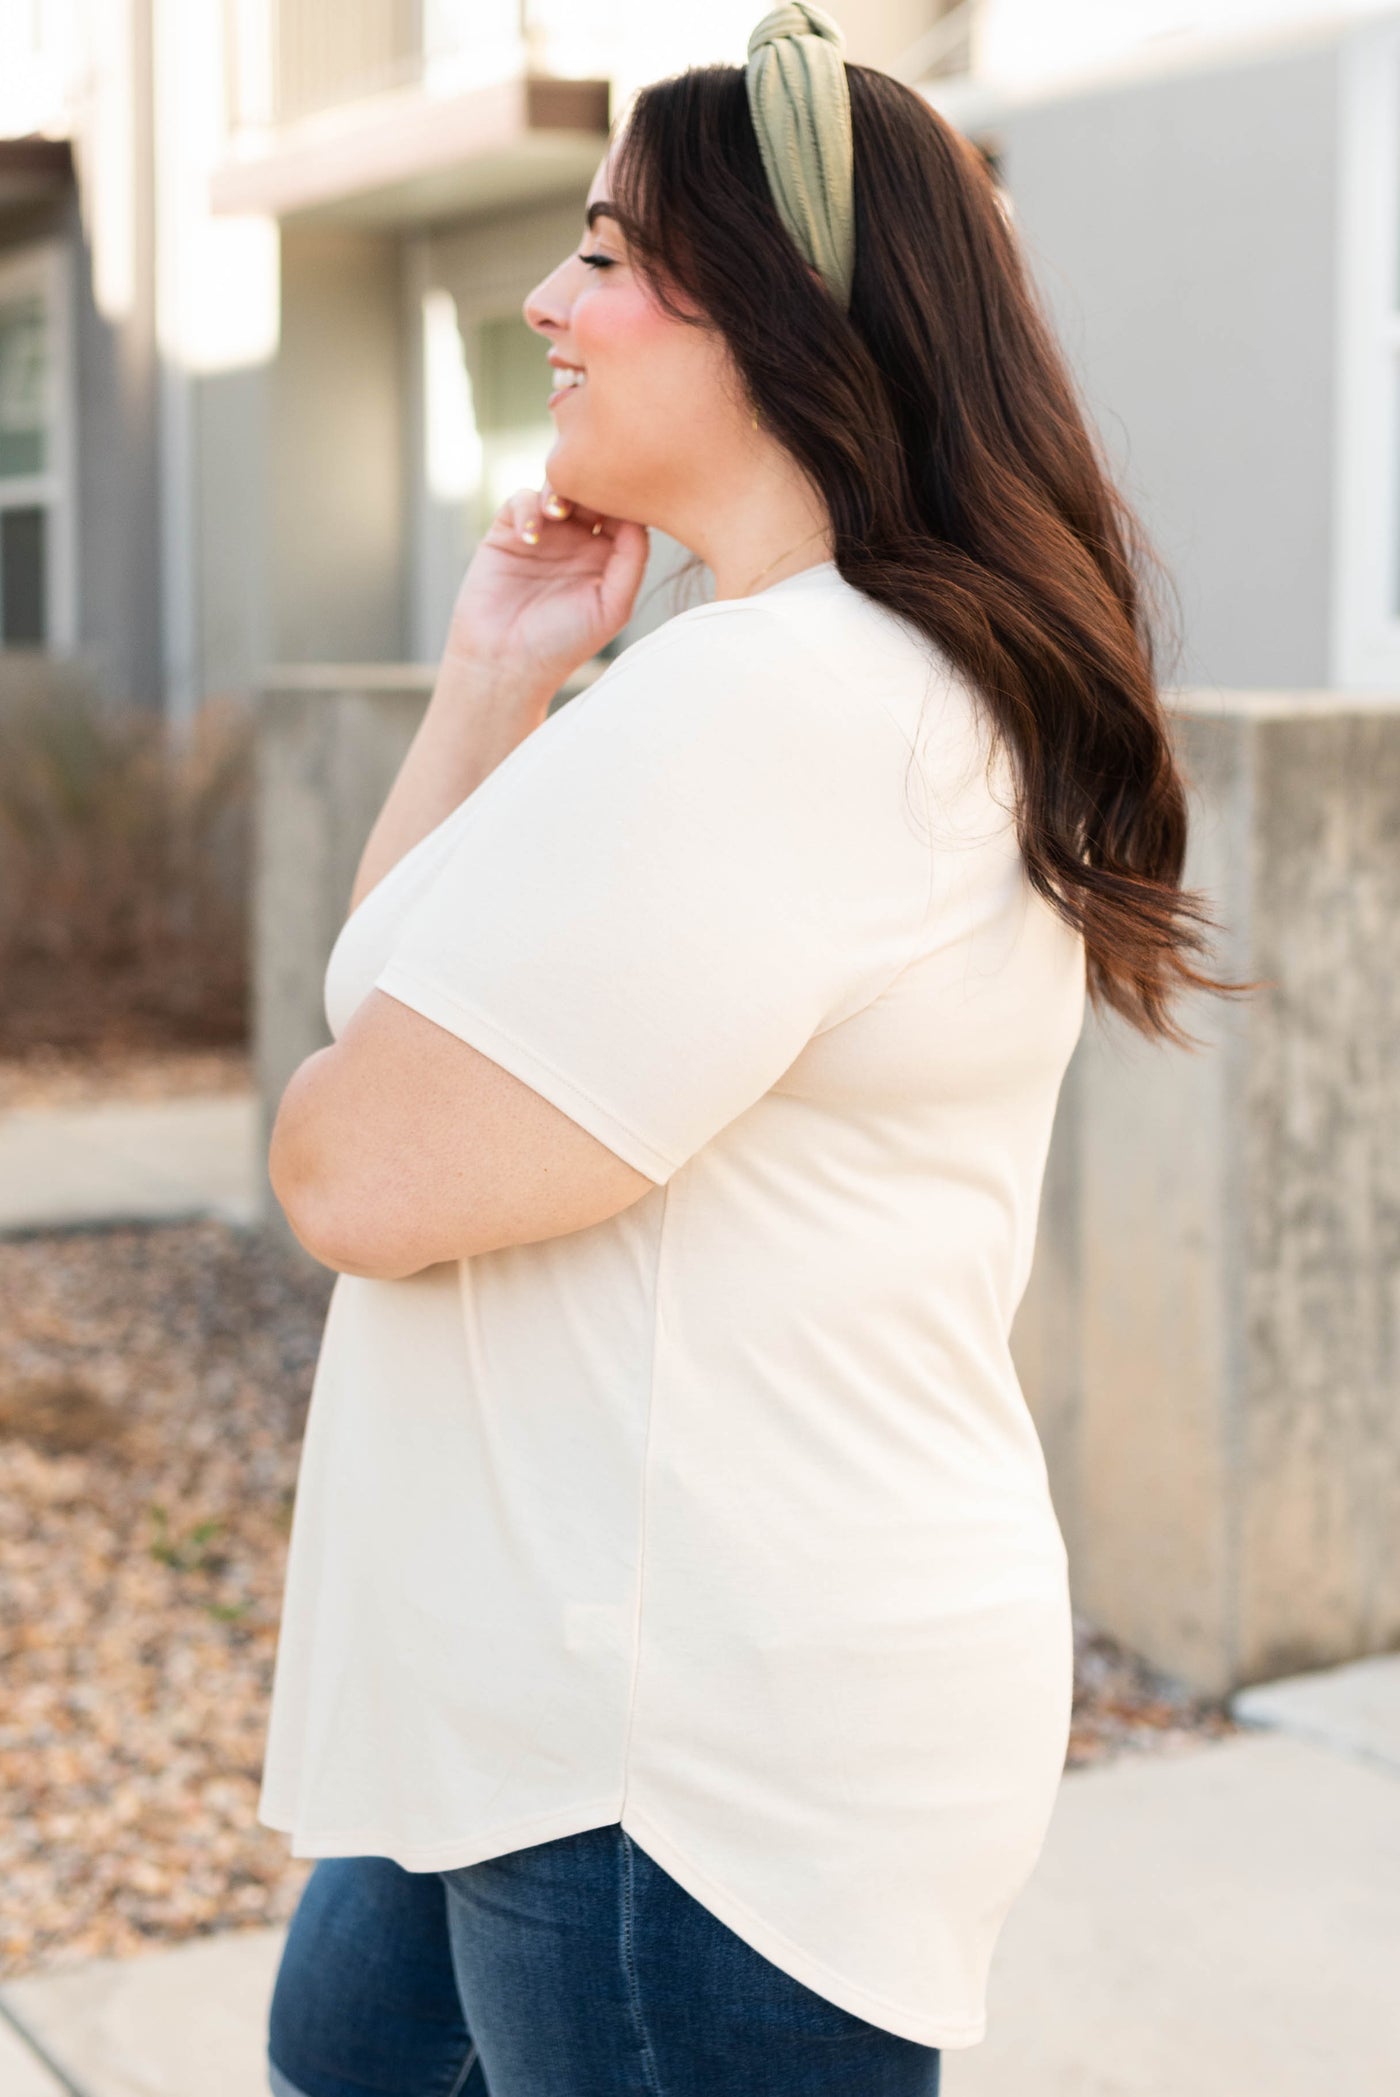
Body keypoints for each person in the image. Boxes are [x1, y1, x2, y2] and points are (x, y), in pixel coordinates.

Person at [258, 8, 1241, 2094]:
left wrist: (364, 1085)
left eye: (607, 257)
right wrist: (494, 680)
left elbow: (356, 1163)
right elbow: (391, 999)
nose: (547, 297)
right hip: (556, 1680)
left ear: (783, 324)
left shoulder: (785, 711)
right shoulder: (775, 681)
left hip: (671, 1764)